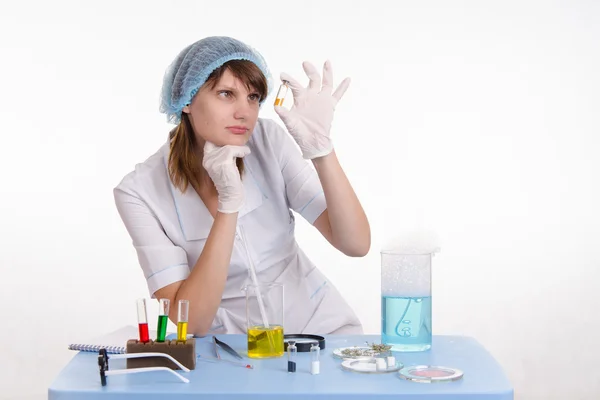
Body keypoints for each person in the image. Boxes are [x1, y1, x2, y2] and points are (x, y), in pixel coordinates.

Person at [114, 36, 370, 336]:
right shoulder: (139, 192)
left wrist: (322, 153)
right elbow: (191, 321)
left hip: (320, 331)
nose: (244, 112)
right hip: (232, 352)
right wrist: (229, 204)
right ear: (186, 100)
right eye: (226, 94)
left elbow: (355, 244)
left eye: (253, 97)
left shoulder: (268, 141)